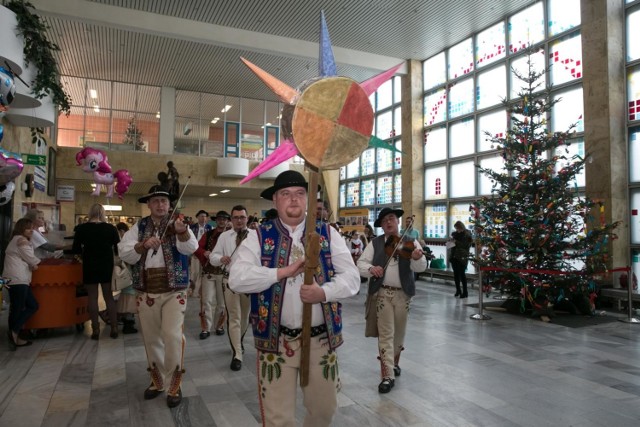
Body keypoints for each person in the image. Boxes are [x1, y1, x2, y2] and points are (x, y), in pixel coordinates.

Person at [230, 170, 360, 426]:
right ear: (275, 201)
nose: (293, 199)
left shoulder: (328, 233)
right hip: (276, 342)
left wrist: (323, 292)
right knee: (278, 418)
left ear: (308, 200)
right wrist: (281, 273)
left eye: (300, 193)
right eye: (286, 194)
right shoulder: (258, 236)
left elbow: (353, 279)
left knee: (324, 410)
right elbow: (236, 278)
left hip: (321, 339)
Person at [118, 185, 198, 408]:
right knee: (151, 338)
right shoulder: (139, 226)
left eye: (164, 201)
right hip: (146, 290)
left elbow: (191, 248)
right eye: (156, 201)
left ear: (170, 205)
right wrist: (142, 245)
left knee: (172, 335)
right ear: (149, 204)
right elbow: (124, 251)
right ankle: (157, 379)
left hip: (174, 291)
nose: (161, 205)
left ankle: (175, 380)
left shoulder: (178, 224)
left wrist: (182, 232)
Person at [357, 207, 427, 394]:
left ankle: (394, 363)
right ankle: (387, 374)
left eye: (392, 219)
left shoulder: (410, 242)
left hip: (403, 294)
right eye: (385, 220)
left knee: (399, 334)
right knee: (386, 334)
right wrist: (372, 269)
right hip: (382, 294)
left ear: (397, 222)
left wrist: (416, 258)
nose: (389, 222)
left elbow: (420, 267)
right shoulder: (376, 243)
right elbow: (361, 264)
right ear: (381, 225)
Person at [209, 205, 252, 371]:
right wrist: (221, 258)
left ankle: (239, 340)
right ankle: (237, 354)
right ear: (231, 219)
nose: (239, 220)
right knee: (233, 316)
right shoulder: (225, 236)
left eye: (242, 217)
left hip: (248, 282)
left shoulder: (255, 236)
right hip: (230, 281)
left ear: (247, 218)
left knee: (245, 317)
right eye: (236, 217)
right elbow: (213, 257)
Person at [72, 204, 121, 340]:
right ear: (102, 213)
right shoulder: (110, 228)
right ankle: (114, 328)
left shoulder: (82, 228)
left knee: (92, 297)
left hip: (89, 265)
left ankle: (95, 329)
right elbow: (118, 248)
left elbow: (75, 249)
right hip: (106, 265)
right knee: (108, 297)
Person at [3, 218, 40, 350]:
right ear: (21, 229)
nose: (31, 230)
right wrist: (35, 264)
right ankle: (14, 333)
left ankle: (14, 334)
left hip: (12, 278)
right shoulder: (22, 241)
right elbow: (32, 260)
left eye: (32, 228)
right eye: (28, 228)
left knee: (23, 307)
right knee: (24, 307)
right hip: (18, 279)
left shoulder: (14, 239)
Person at [193, 210, 230, 338]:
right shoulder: (208, 234)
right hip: (208, 272)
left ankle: (219, 326)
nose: (222, 221)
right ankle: (205, 328)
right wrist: (204, 252)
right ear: (216, 220)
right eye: (219, 219)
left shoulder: (231, 236)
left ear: (227, 221)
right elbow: (197, 248)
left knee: (222, 303)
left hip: (224, 273)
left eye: (224, 219)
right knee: (206, 301)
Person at [115, 222, 138, 334]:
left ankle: (128, 321)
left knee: (129, 295)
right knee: (130, 296)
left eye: (121, 230)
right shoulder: (126, 241)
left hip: (128, 273)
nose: (120, 233)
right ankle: (129, 322)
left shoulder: (125, 240)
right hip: (129, 273)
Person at [188, 209, 212, 298]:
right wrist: (191, 252)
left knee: (203, 272)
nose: (203, 218)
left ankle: (200, 291)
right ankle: (191, 289)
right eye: (201, 216)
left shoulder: (209, 228)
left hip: (204, 253)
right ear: (197, 217)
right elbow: (189, 240)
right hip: (194, 252)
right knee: (194, 272)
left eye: (205, 216)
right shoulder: (192, 227)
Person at [450, 221, 473, 299]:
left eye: (458, 228)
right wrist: (450, 243)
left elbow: (466, 246)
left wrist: (456, 242)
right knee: (456, 274)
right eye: (456, 228)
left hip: (462, 256)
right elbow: (453, 245)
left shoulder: (467, 235)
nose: (457, 230)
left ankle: (465, 292)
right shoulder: (454, 234)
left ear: (461, 227)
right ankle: (458, 290)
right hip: (454, 256)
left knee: (462, 274)